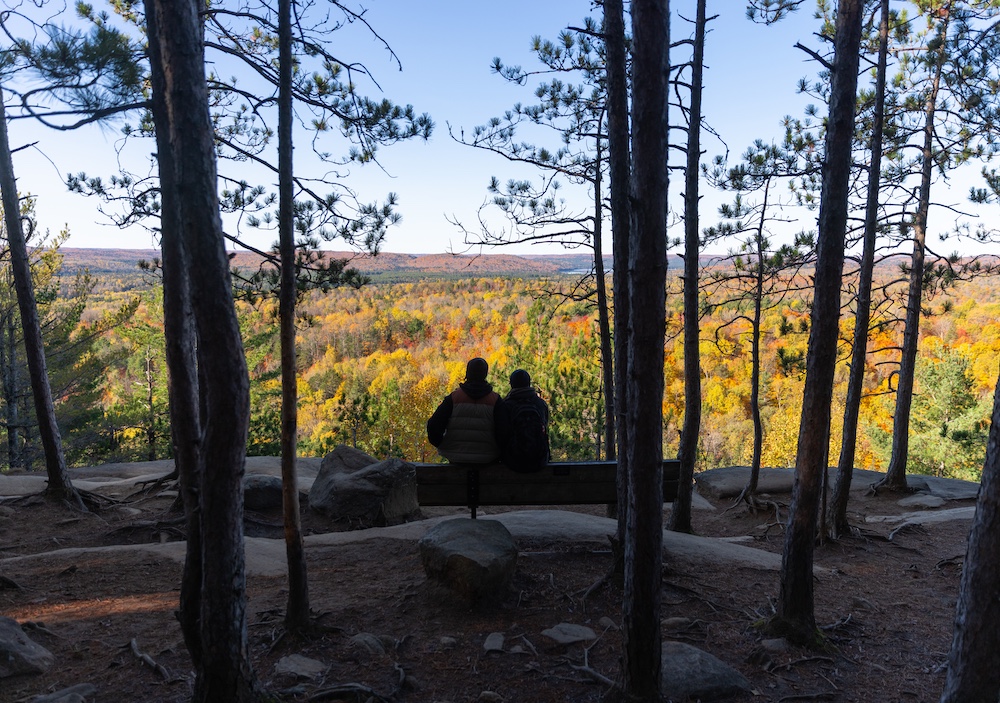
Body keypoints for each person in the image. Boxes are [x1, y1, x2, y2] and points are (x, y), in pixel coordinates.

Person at [427, 357, 510, 464]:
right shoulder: (495, 400)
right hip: (488, 458)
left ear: (468, 373)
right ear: (485, 374)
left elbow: (433, 426)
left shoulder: (453, 398)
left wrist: (442, 444)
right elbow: (504, 432)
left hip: (455, 457)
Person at [502, 369, 550, 472]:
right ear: (529, 383)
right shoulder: (540, 404)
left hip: (513, 462)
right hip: (539, 460)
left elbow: (501, 434)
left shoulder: (506, 405)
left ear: (511, 384)